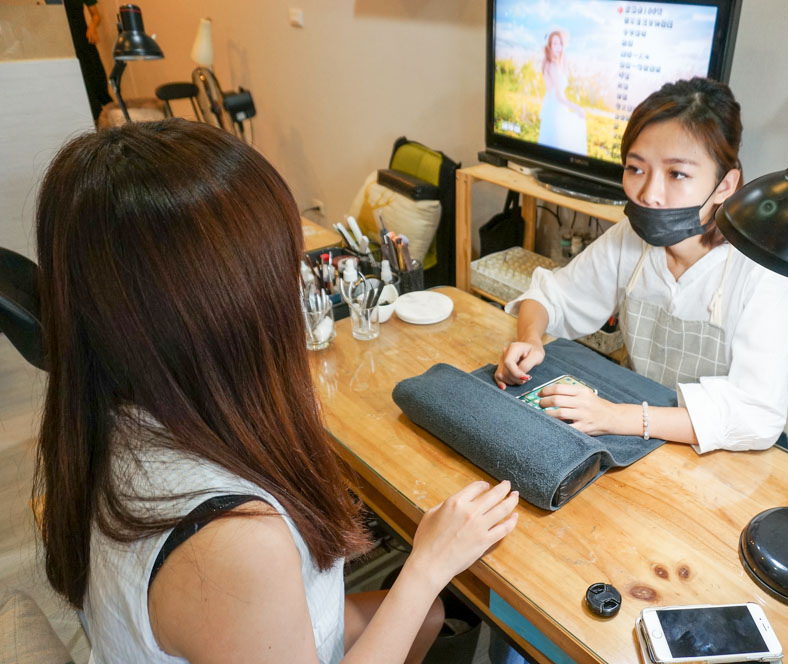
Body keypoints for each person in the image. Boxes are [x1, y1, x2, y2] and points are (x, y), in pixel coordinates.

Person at [34, 120, 519, 663]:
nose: (298, 280)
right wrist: (428, 564)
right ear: (220, 313)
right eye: (284, 263)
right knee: (427, 599)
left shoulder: (110, 411)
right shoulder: (232, 542)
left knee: (428, 615)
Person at [495, 77, 788, 454]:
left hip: (724, 448)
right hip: (641, 429)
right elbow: (551, 296)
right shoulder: (630, 239)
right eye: (636, 168)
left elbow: (757, 418)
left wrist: (616, 418)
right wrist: (530, 338)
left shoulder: (759, 271)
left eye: (677, 174)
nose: (649, 194)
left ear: (725, 185)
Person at [537, 29, 587, 154]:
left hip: (553, 108)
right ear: (549, 45)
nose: (558, 47)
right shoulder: (552, 65)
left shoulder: (550, 62)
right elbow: (559, 96)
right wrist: (577, 108)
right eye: (555, 43)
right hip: (556, 109)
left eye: (560, 43)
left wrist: (563, 55)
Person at [62, 0, 113, 121]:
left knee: (95, 73)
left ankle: (108, 112)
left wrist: (92, 27)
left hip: (82, 37)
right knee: (79, 78)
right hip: (63, 42)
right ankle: (94, 116)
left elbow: (96, 15)